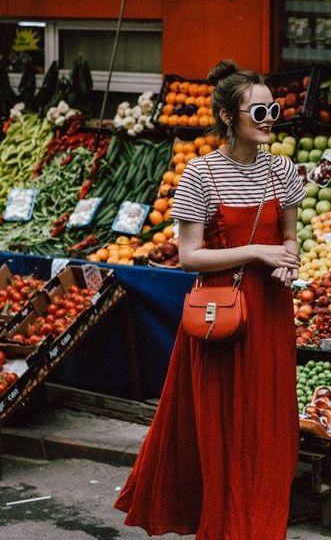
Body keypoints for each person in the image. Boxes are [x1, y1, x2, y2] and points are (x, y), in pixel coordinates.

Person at [115, 60, 305, 539]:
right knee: (223, 427)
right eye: (257, 110)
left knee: (268, 428)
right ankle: (226, 522)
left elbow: (291, 239)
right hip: (223, 315)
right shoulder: (201, 174)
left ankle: (260, 524)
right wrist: (258, 251)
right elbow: (189, 257)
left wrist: (286, 260)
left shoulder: (283, 172)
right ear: (228, 116)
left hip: (271, 315)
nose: (268, 119)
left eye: (273, 109)